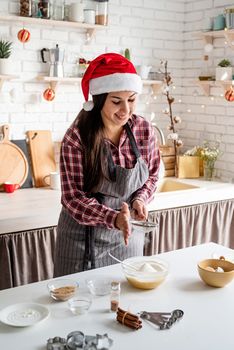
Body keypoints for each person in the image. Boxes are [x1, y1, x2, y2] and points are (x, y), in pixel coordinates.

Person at [54, 52, 161, 277]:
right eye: (116, 101)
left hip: (127, 237)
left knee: (125, 303)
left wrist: (140, 200)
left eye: (131, 99)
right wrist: (113, 218)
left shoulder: (143, 129)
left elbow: (152, 175)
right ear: (100, 99)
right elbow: (72, 198)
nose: (125, 110)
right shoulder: (77, 137)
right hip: (82, 240)